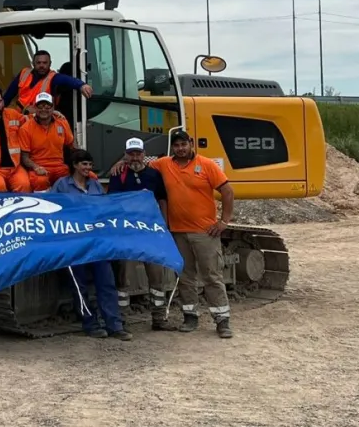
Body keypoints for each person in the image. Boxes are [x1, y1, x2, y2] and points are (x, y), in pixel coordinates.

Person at [109, 129, 235, 338]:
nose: (180, 148)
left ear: (191, 144)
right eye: (176, 145)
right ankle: (190, 316)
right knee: (184, 276)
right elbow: (134, 174)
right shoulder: (162, 165)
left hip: (203, 231)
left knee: (211, 275)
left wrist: (224, 221)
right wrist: (119, 164)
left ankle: (222, 320)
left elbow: (228, 191)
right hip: (173, 232)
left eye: (183, 144)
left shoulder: (206, 165)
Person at [51, 149, 133, 341]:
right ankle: (90, 324)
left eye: (89, 164)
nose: (88, 168)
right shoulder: (62, 186)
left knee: (107, 284)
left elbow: (105, 210)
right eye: (84, 164)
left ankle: (115, 325)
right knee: (79, 287)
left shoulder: (96, 186)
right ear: (75, 165)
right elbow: (52, 210)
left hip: (97, 244)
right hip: (73, 244)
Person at [106, 137, 177, 332]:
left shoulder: (154, 174)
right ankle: (122, 320)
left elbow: (162, 200)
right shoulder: (118, 174)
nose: (135, 157)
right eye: (131, 153)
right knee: (124, 278)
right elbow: (113, 202)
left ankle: (159, 318)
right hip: (128, 234)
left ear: (144, 154)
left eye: (138, 153)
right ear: (125, 155)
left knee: (156, 276)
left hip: (150, 233)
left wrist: (164, 225)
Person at [2, 50, 93, 114]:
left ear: (50, 64)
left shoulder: (53, 77)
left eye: (45, 63)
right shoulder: (24, 73)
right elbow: (8, 95)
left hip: (39, 120)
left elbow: (67, 80)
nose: (42, 65)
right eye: (39, 63)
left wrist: (81, 85)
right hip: (19, 117)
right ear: (33, 63)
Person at [19, 92, 75, 191]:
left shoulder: (62, 122)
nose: (43, 109)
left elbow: (72, 146)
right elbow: (24, 158)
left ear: (53, 108)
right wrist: (36, 167)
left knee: (76, 178)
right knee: (40, 181)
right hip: (38, 167)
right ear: (35, 108)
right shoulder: (26, 128)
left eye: (47, 106)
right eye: (40, 106)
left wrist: (78, 164)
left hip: (59, 166)